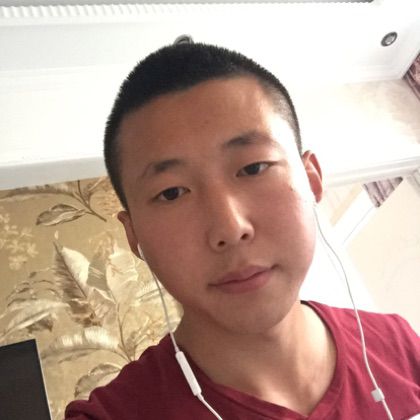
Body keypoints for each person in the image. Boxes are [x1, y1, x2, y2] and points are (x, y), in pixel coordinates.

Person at [65, 41, 419, 420]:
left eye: (253, 168)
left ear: (312, 179)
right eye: (172, 193)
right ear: (135, 236)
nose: (230, 228)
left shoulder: (399, 346)